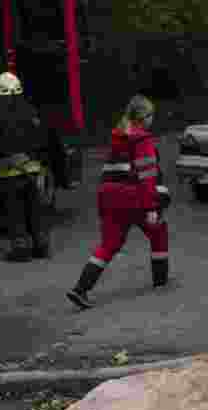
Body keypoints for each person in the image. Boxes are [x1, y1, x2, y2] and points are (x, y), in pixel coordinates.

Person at [66, 95, 171, 310]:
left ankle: (80, 289)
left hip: (109, 197)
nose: (153, 120)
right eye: (151, 116)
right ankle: (160, 280)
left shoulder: (119, 137)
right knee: (158, 231)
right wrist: (151, 207)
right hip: (133, 198)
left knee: (109, 245)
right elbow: (148, 176)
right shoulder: (142, 141)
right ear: (144, 118)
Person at [0, 72, 49, 262]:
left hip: (11, 174)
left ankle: (21, 249)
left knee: (15, 212)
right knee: (34, 210)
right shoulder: (30, 109)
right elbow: (42, 138)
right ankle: (41, 245)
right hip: (33, 171)